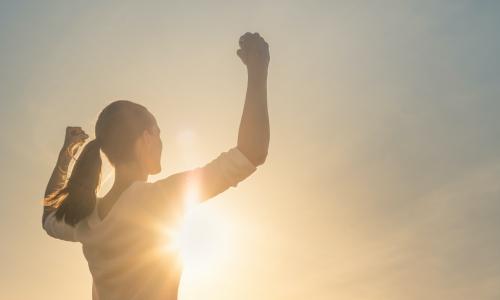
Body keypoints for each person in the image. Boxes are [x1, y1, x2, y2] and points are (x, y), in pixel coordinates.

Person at [41, 32, 270, 300]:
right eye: (158, 132)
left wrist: (65, 155)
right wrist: (258, 70)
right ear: (146, 138)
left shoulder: (85, 220)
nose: (162, 142)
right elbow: (251, 153)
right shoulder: (158, 199)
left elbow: (48, 216)